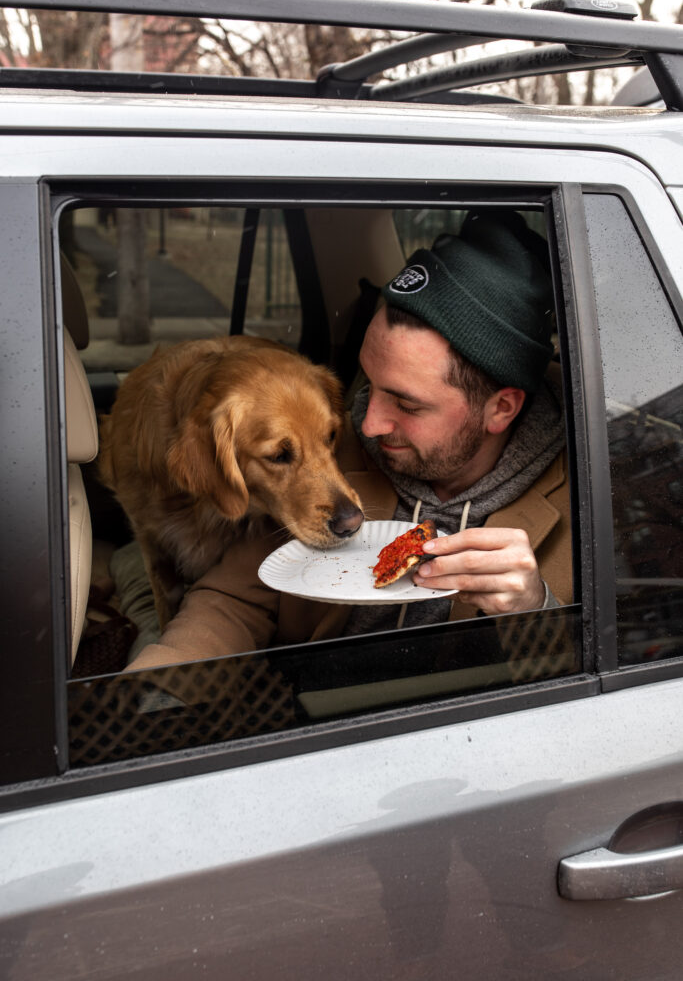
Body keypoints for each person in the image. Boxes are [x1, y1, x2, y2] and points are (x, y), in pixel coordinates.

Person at [126, 210, 571, 671]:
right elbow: (233, 599)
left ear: (501, 408)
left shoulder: (598, 491)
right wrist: (153, 697)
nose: (368, 423)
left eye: (407, 404)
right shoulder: (331, 447)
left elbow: (611, 677)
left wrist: (534, 609)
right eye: (368, 385)